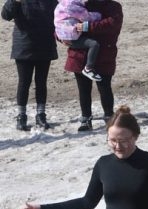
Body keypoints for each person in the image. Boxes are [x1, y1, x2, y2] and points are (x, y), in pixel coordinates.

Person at [63, 0, 123, 132]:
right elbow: (62, 22)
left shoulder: (113, 6)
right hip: (80, 54)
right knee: (83, 89)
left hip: (104, 53)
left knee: (104, 86)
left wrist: (86, 27)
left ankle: (108, 116)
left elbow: (112, 24)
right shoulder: (76, 5)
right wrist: (61, 36)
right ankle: (86, 118)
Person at [1, 0, 58, 131]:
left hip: (45, 44)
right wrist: (14, 2)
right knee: (24, 82)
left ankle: (41, 114)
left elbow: (58, 16)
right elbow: (5, 15)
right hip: (24, 45)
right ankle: (21, 116)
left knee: (41, 81)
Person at [54, 0, 103, 82]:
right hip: (71, 36)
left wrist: (59, 36)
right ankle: (88, 68)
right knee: (94, 44)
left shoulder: (62, 4)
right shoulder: (73, 6)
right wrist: (99, 15)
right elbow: (86, 17)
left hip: (62, 34)